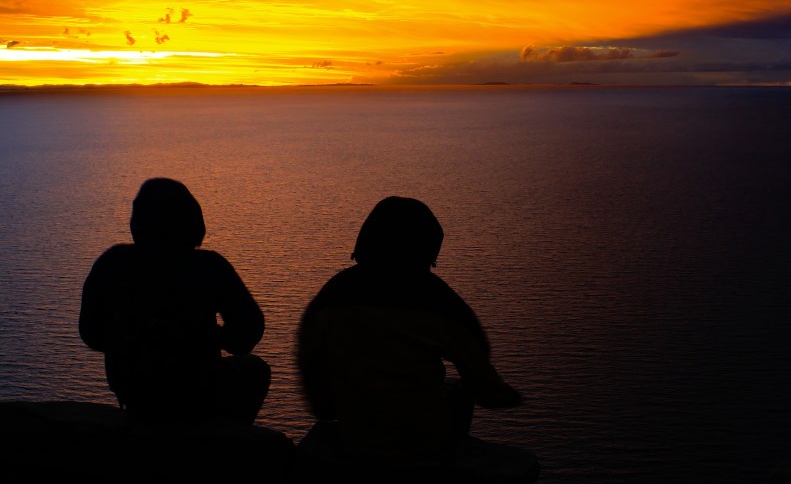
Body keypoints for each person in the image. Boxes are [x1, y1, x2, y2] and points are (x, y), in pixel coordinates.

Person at [297, 196, 521, 462]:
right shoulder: (437, 299)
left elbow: (309, 358)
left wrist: (324, 407)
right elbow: (477, 363)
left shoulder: (333, 294)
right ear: (427, 250)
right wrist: (504, 396)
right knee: (458, 392)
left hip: (355, 434)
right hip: (421, 439)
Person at [79, 178, 270, 424]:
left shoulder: (111, 262)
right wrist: (211, 336)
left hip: (133, 391)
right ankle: (225, 437)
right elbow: (248, 334)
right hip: (197, 389)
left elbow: (90, 334)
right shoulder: (209, 266)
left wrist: (129, 338)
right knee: (255, 369)